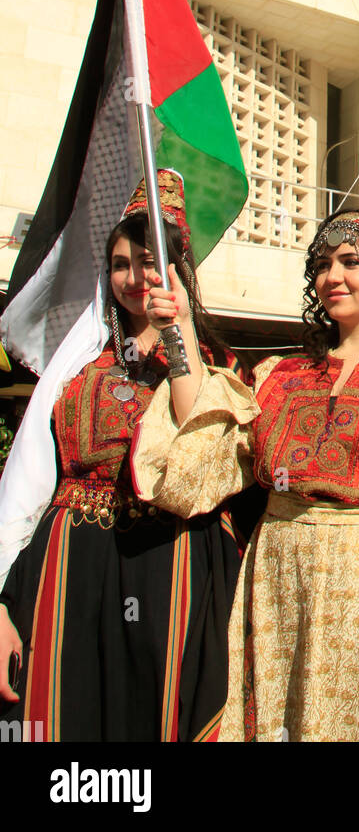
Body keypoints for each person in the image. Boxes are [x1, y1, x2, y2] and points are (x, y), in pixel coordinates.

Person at [132, 209, 359, 742]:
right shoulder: (276, 376)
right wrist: (181, 329)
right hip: (276, 585)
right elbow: (203, 455)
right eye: (323, 264)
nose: (333, 276)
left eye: (351, 261)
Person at [0, 170, 243, 741]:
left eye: (151, 260)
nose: (136, 277)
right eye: (120, 263)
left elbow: (197, 445)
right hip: (67, 566)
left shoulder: (218, 364)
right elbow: (29, 481)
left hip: (166, 560)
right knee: (65, 717)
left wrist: (178, 326)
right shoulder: (77, 364)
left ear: (181, 268)